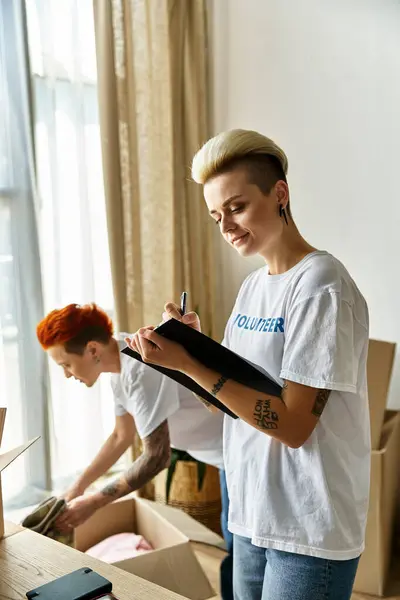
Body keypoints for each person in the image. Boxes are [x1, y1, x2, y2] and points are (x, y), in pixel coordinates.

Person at [126, 129, 371, 600]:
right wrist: (191, 352)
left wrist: (191, 364)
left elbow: (294, 425)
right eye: (217, 216)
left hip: (306, 530)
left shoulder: (321, 286)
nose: (227, 226)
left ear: (279, 194)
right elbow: (232, 405)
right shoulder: (254, 287)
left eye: (236, 208)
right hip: (250, 513)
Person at [36, 303, 233, 600]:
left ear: (92, 350)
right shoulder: (118, 369)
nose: (66, 375)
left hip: (238, 452)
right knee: (237, 551)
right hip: (225, 457)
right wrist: (76, 489)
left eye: (65, 364)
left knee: (242, 555)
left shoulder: (140, 368)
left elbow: (156, 456)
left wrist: (93, 503)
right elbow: (120, 436)